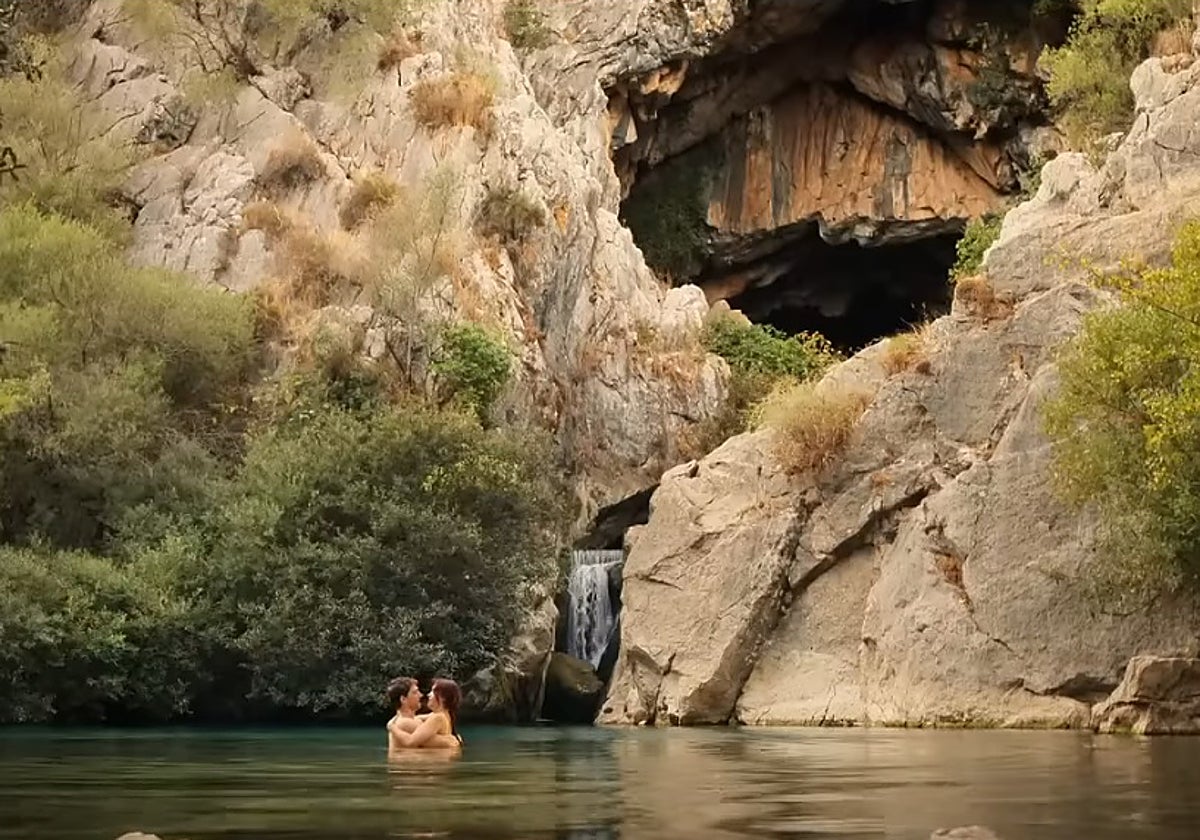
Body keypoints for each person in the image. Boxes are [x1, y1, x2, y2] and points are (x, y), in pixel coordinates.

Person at [386, 677, 463, 753]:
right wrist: (453, 740)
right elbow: (447, 743)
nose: (421, 695)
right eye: (415, 692)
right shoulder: (405, 723)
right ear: (403, 699)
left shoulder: (421, 719)